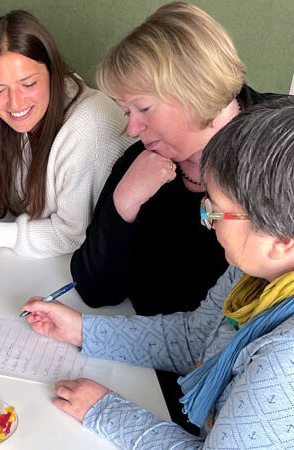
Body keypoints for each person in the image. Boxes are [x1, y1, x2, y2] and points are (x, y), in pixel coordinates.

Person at [68, 2, 289, 432]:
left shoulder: (275, 162)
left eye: (143, 109)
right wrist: (123, 201)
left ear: (196, 94)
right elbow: (98, 289)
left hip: (220, 402)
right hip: (151, 367)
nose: (131, 128)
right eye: (125, 110)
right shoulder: (144, 159)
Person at [24, 97, 294, 448]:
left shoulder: (283, 358)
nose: (207, 223)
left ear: (281, 241)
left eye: (216, 213)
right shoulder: (255, 273)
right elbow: (194, 338)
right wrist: (82, 329)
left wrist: (105, 410)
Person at [0, 10, 133, 260]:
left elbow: (70, 234)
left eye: (28, 84)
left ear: (53, 71)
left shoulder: (88, 123)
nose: (14, 103)